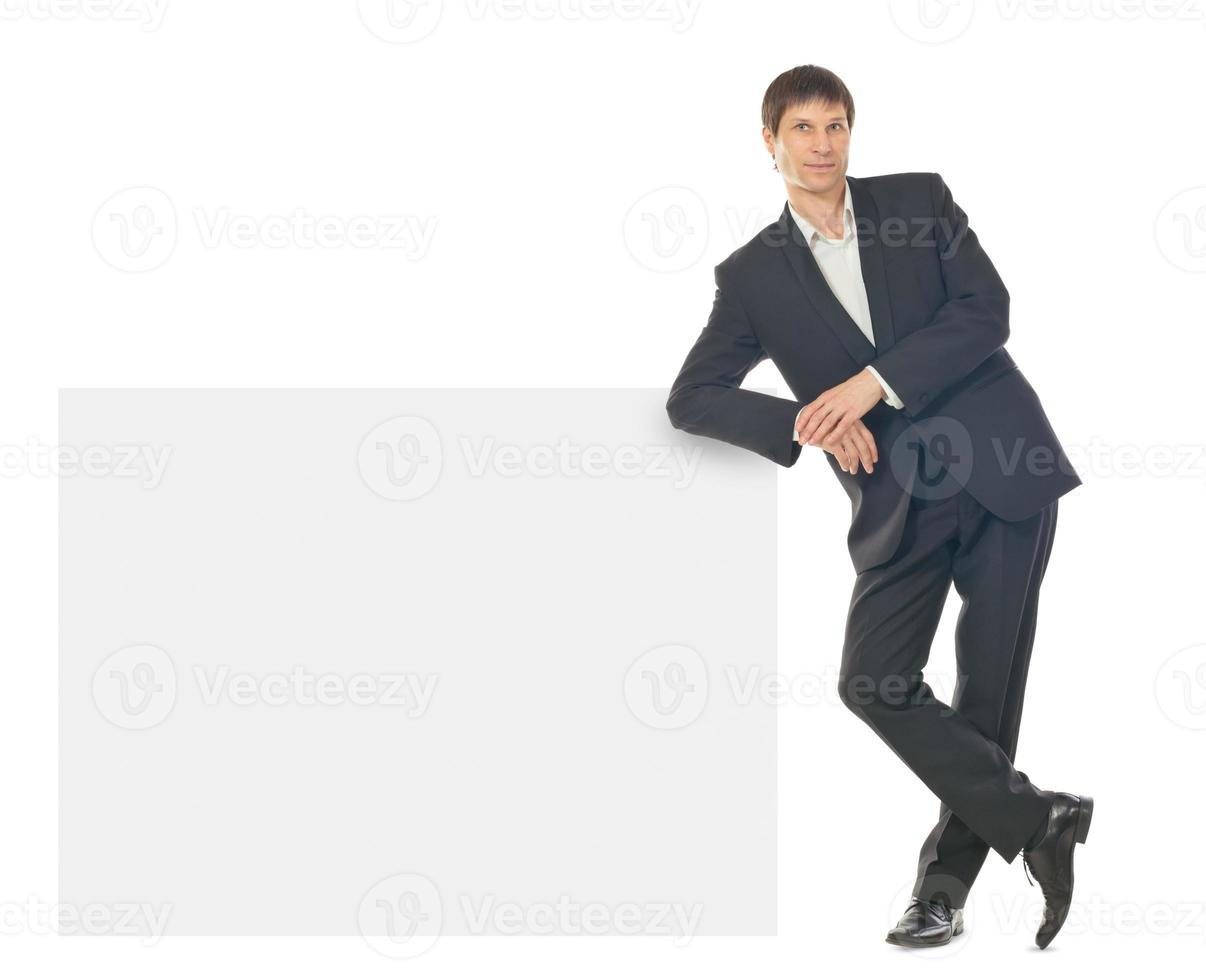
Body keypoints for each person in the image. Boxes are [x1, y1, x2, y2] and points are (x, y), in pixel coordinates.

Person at [664, 64, 1093, 949]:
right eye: (803, 130)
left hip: (1005, 469)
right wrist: (809, 422)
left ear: (851, 132)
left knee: (988, 691)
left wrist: (868, 385)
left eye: (837, 126)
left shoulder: (919, 201)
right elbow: (693, 396)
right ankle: (1038, 818)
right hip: (897, 499)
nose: (823, 146)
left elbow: (987, 312)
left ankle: (940, 892)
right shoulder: (752, 276)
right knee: (873, 682)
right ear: (769, 140)